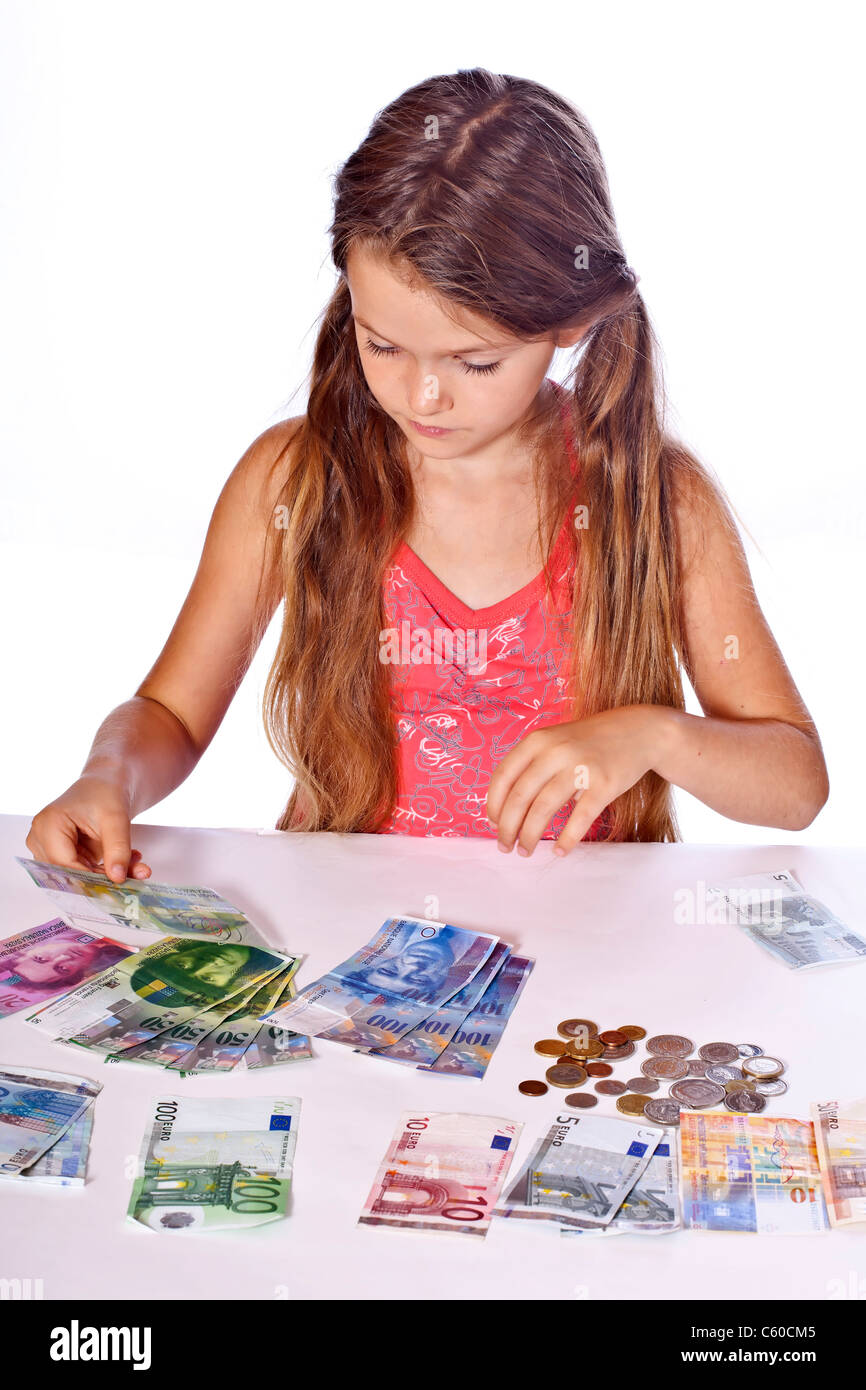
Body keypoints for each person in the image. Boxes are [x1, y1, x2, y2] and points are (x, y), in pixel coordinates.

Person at [25, 68, 828, 880]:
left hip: (583, 963)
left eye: (475, 362)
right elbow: (169, 712)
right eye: (383, 346)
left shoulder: (656, 500)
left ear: (573, 320)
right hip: (342, 944)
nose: (424, 394)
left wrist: (658, 734)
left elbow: (794, 783)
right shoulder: (292, 482)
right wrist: (107, 779)